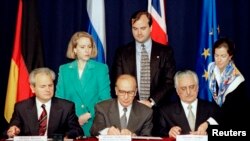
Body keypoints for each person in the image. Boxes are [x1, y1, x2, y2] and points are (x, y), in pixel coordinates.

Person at [111, 10, 176, 135]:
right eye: (135, 28)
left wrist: (151, 101)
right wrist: (133, 103)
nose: (139, 32)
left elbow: (169, 82)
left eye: (143, 28)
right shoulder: (122, 53)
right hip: (130, 112)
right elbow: (117, 82)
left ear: (151, 27)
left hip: (159, 113)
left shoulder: (165, 52)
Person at [55, 31, 111, 136]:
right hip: (70, 126)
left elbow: (105, 100)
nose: (87, 50)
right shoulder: (64, 70)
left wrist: (89, 115)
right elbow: (59, 100)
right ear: (74, 49)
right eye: (82, 47)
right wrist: (73, 119)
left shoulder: (101, 69)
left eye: (89, 47)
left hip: (94, 124)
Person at [6, 68, 84, 139]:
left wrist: (66, 136)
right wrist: (13, 130)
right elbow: (12, 128)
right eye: (43, 86)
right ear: (33, 88)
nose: (48, 89)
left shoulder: (67, 107)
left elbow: (77, 130)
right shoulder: (21, 107)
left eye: (50, 85)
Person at [158, 70, 219, 138]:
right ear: (177, 91)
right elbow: (157, 132)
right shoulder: (166, 111)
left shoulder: (212, 108)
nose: (188, 92)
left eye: (192, 87)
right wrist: (169, 132)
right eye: (183, 88)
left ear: (197, 88)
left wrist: (208, 132)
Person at [208, 38, 249, 128]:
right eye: (216, 55)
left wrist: (209, 124)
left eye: (223, 56)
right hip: (219, 119)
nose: (218, 60)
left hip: (235, 123)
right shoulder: (212, 69)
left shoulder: (237, 79)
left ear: (230, 56)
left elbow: (231, 111)